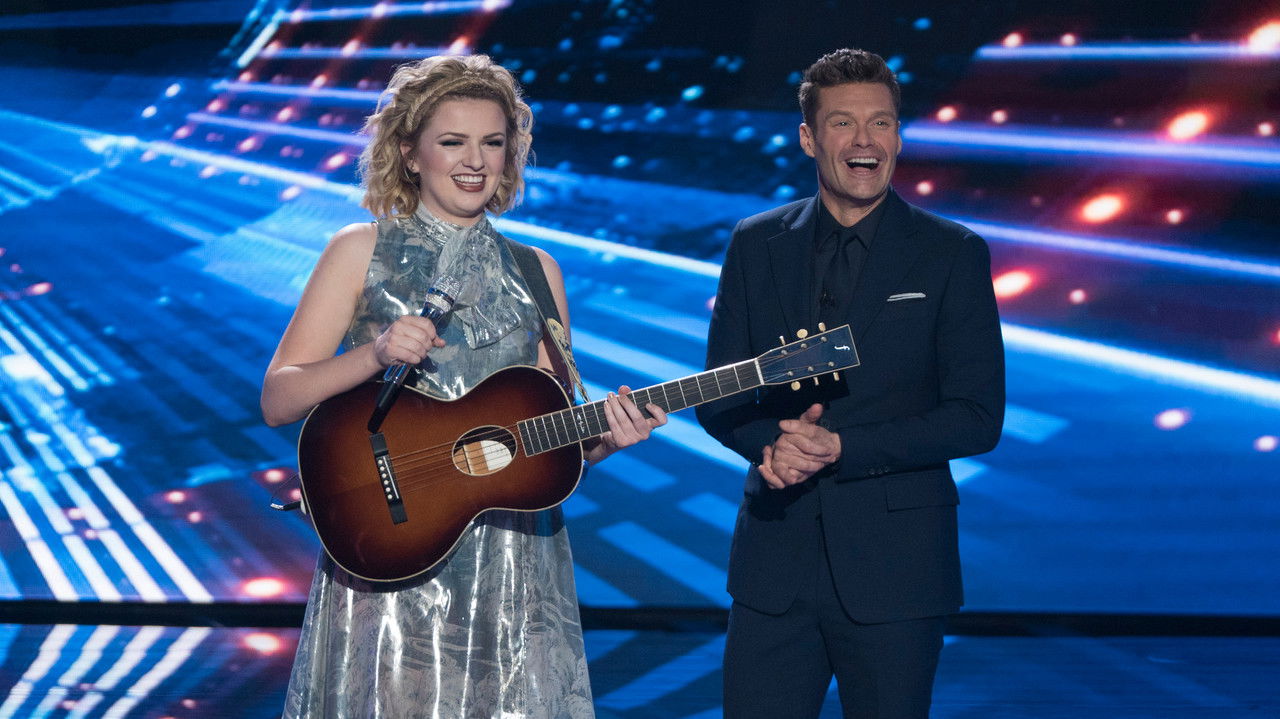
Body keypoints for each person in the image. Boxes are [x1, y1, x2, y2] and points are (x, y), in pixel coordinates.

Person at [261, 54, 667, 718]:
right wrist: (376, 353)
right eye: (453, 141)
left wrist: (606, 440)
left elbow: (548, 446)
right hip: (393, 549)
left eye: (492, 143)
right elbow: (280, 398)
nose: (475, 160)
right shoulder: (359, 249)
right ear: (409, 153)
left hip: (514, 569)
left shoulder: (537, 272)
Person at [695, 48, 1005, 718]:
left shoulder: (952, 253)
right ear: (809, 138)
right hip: (775, 565)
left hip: (898, 570)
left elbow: (977, 416)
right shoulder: (755, 243)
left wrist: (842, 448)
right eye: (843, 123)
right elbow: (721, 394)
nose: (865, 140)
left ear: (898, 135)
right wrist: (772, 446)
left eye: (881, 123)